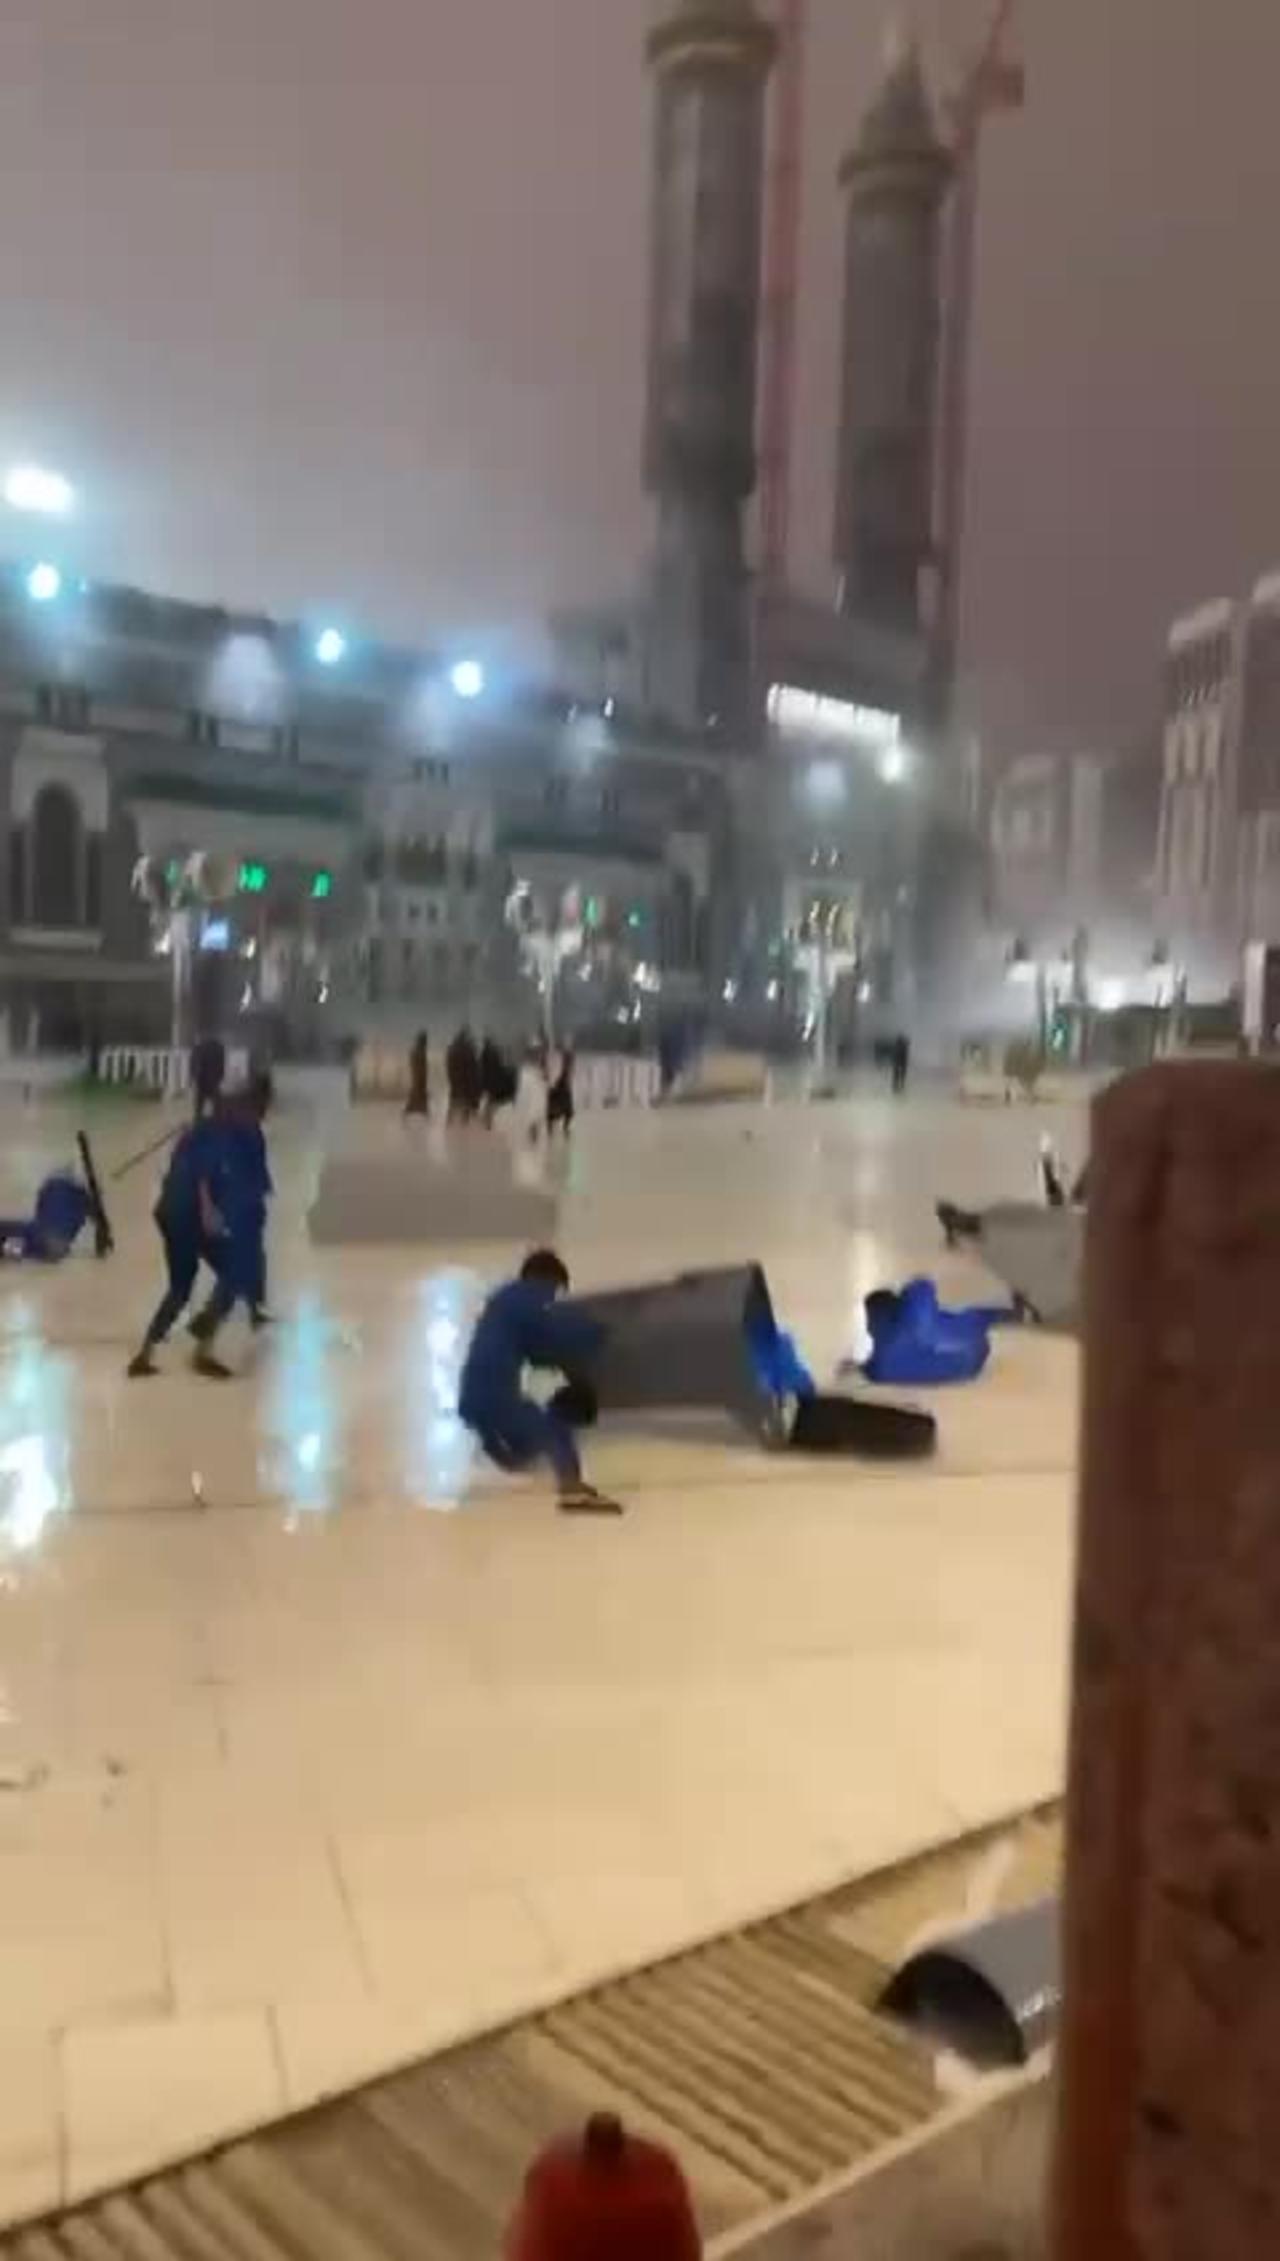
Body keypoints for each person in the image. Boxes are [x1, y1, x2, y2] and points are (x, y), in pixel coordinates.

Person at [458, 1249, 621, 1514]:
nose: (556, 1294)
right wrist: (596, 1333)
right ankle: (572, 1491)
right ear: (549, 1278)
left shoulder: (503, 1300)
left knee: (525, 1449)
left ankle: (532, 1464)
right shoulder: (532, 1297)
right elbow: (557, 1334)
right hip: (497, 1393)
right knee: (556, 1427)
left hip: (474, 1394)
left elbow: (534, 1348)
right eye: (557, 1287)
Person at [187, 1073, 275, 1377]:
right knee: (234, 1275)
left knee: (250, 1264)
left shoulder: (248, 1128)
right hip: (233, 1210)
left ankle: (251, 1311)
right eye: (261, 1103)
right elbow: (203, 1171)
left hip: (248, 1207)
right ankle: (204, 1341)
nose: (264, 1109)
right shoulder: (228, 1130)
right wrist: (208, 1207)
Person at [127, 1115, 228, 1375]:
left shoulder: (191, 1137)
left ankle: (144, 1355)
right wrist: (209, 1211)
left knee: (180, 1288)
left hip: (168, 1212)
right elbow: (206, 1176)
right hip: (188, 1215)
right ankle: (202, 1348)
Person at [446, 1025, 480, 1124]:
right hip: (465, 1082)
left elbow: (448, 1065)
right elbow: (473, 1067)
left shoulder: (452, 1048)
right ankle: (463, 1127)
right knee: (465, 1105)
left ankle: (450, 1127)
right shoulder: (468, 1049)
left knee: (453, 1104)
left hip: (455, 1081)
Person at [546, 1043, 575, 1139]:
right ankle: (554, 1131)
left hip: (561, 1087)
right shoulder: (555, 1060)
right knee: (553, 1112)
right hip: (557, 1086)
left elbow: (566, 1073)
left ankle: (563, 1130)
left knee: (567, 1112)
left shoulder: (565, 1064)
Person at [404, 1029, 430, 1119]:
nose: (426, 1043)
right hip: (419, 1082)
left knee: (415, 1102)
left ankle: (406, 1119)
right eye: (425, 1040)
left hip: (418, 1081)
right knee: (416, 1101)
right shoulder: (420, 1052)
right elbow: (421, 1069)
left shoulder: (416, 1051)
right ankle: (426, 1119)